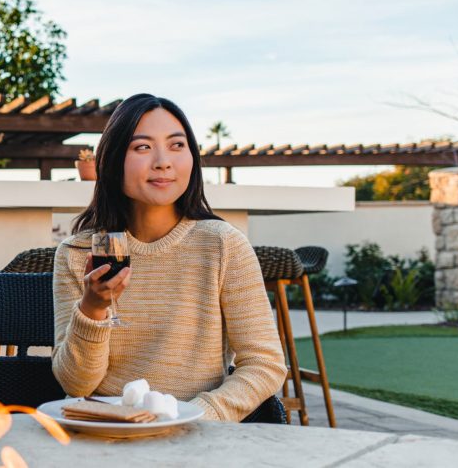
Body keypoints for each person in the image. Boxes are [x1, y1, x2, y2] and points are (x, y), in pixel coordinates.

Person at [52, 93, 286, 421]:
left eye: (177, 145)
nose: (163, 161)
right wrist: (94, 307)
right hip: (104, 434)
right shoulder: (78, 254)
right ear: (112, 159)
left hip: (195, 438)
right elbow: (77, 384)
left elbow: (265, 364)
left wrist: (196, 417)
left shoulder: (223, 245)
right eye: (142, 147)